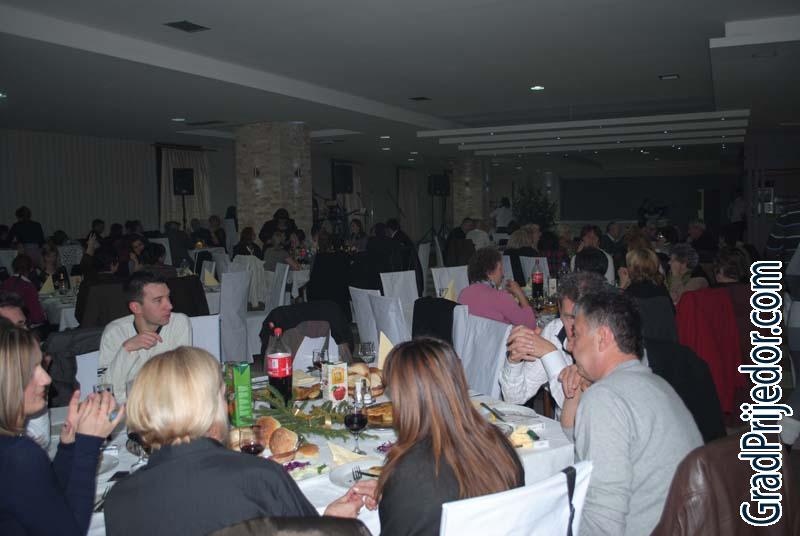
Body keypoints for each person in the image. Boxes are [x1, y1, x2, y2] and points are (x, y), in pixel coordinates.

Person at [104, 347, 365, 536]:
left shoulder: (118, 500)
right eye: (222, 394)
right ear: (211, 406)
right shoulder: (259, 477)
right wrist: (332, 523)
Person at [559, 291, 702, 536]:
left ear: (602, 338)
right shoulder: (656, 384)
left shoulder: (606, 398)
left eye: (577, 335)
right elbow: (576, 439)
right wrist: (577, 389)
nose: (571, 346)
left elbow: (602, 521)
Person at [356, 338, 524, 535]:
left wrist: (342, 524)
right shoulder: (497, 443)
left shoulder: (411, 470)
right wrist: (394, 494)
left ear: (404, 399)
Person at [0, 320, 123, 535]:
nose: (47, 378)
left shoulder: (12, 448)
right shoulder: (18, 455)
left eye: (41, 365)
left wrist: (68, 445)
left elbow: (48, 499)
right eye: (31, 370)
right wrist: (88, 445)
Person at [501, 272, 607, 411]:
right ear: (559, 309)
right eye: (569, 317)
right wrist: (514, 361)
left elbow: (583, 414)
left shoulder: (610, 344)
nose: (575, 327)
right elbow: (514, 398)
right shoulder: (554, 331)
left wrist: (550, 353)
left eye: (583, 318)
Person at [98, 271, 192, 397]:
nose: (170, 306)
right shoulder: (114, 333)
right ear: (136, 307)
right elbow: (105, 389)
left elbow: (182, 378)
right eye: (158, 300)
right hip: (128, 406)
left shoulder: (178, 323)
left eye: (168, 297)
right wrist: (126, 349)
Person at [458, 247, 536, 328]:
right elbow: (530, 325)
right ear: (489, 272)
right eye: (500, 269)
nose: (503, 274)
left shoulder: (463, 294)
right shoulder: (500, 297)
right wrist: (520, 293)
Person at [75, 246, 123, 325]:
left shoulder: (86, 284)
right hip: (119, 328)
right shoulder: (123, 284)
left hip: (92, 330)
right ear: (113, 265)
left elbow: (79, 314)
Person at [1, 255, 46, 325]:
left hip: (6, 323)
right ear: (31, 269)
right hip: (26, 324)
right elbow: (37, 316)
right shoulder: (28, 286)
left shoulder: (5, 283)